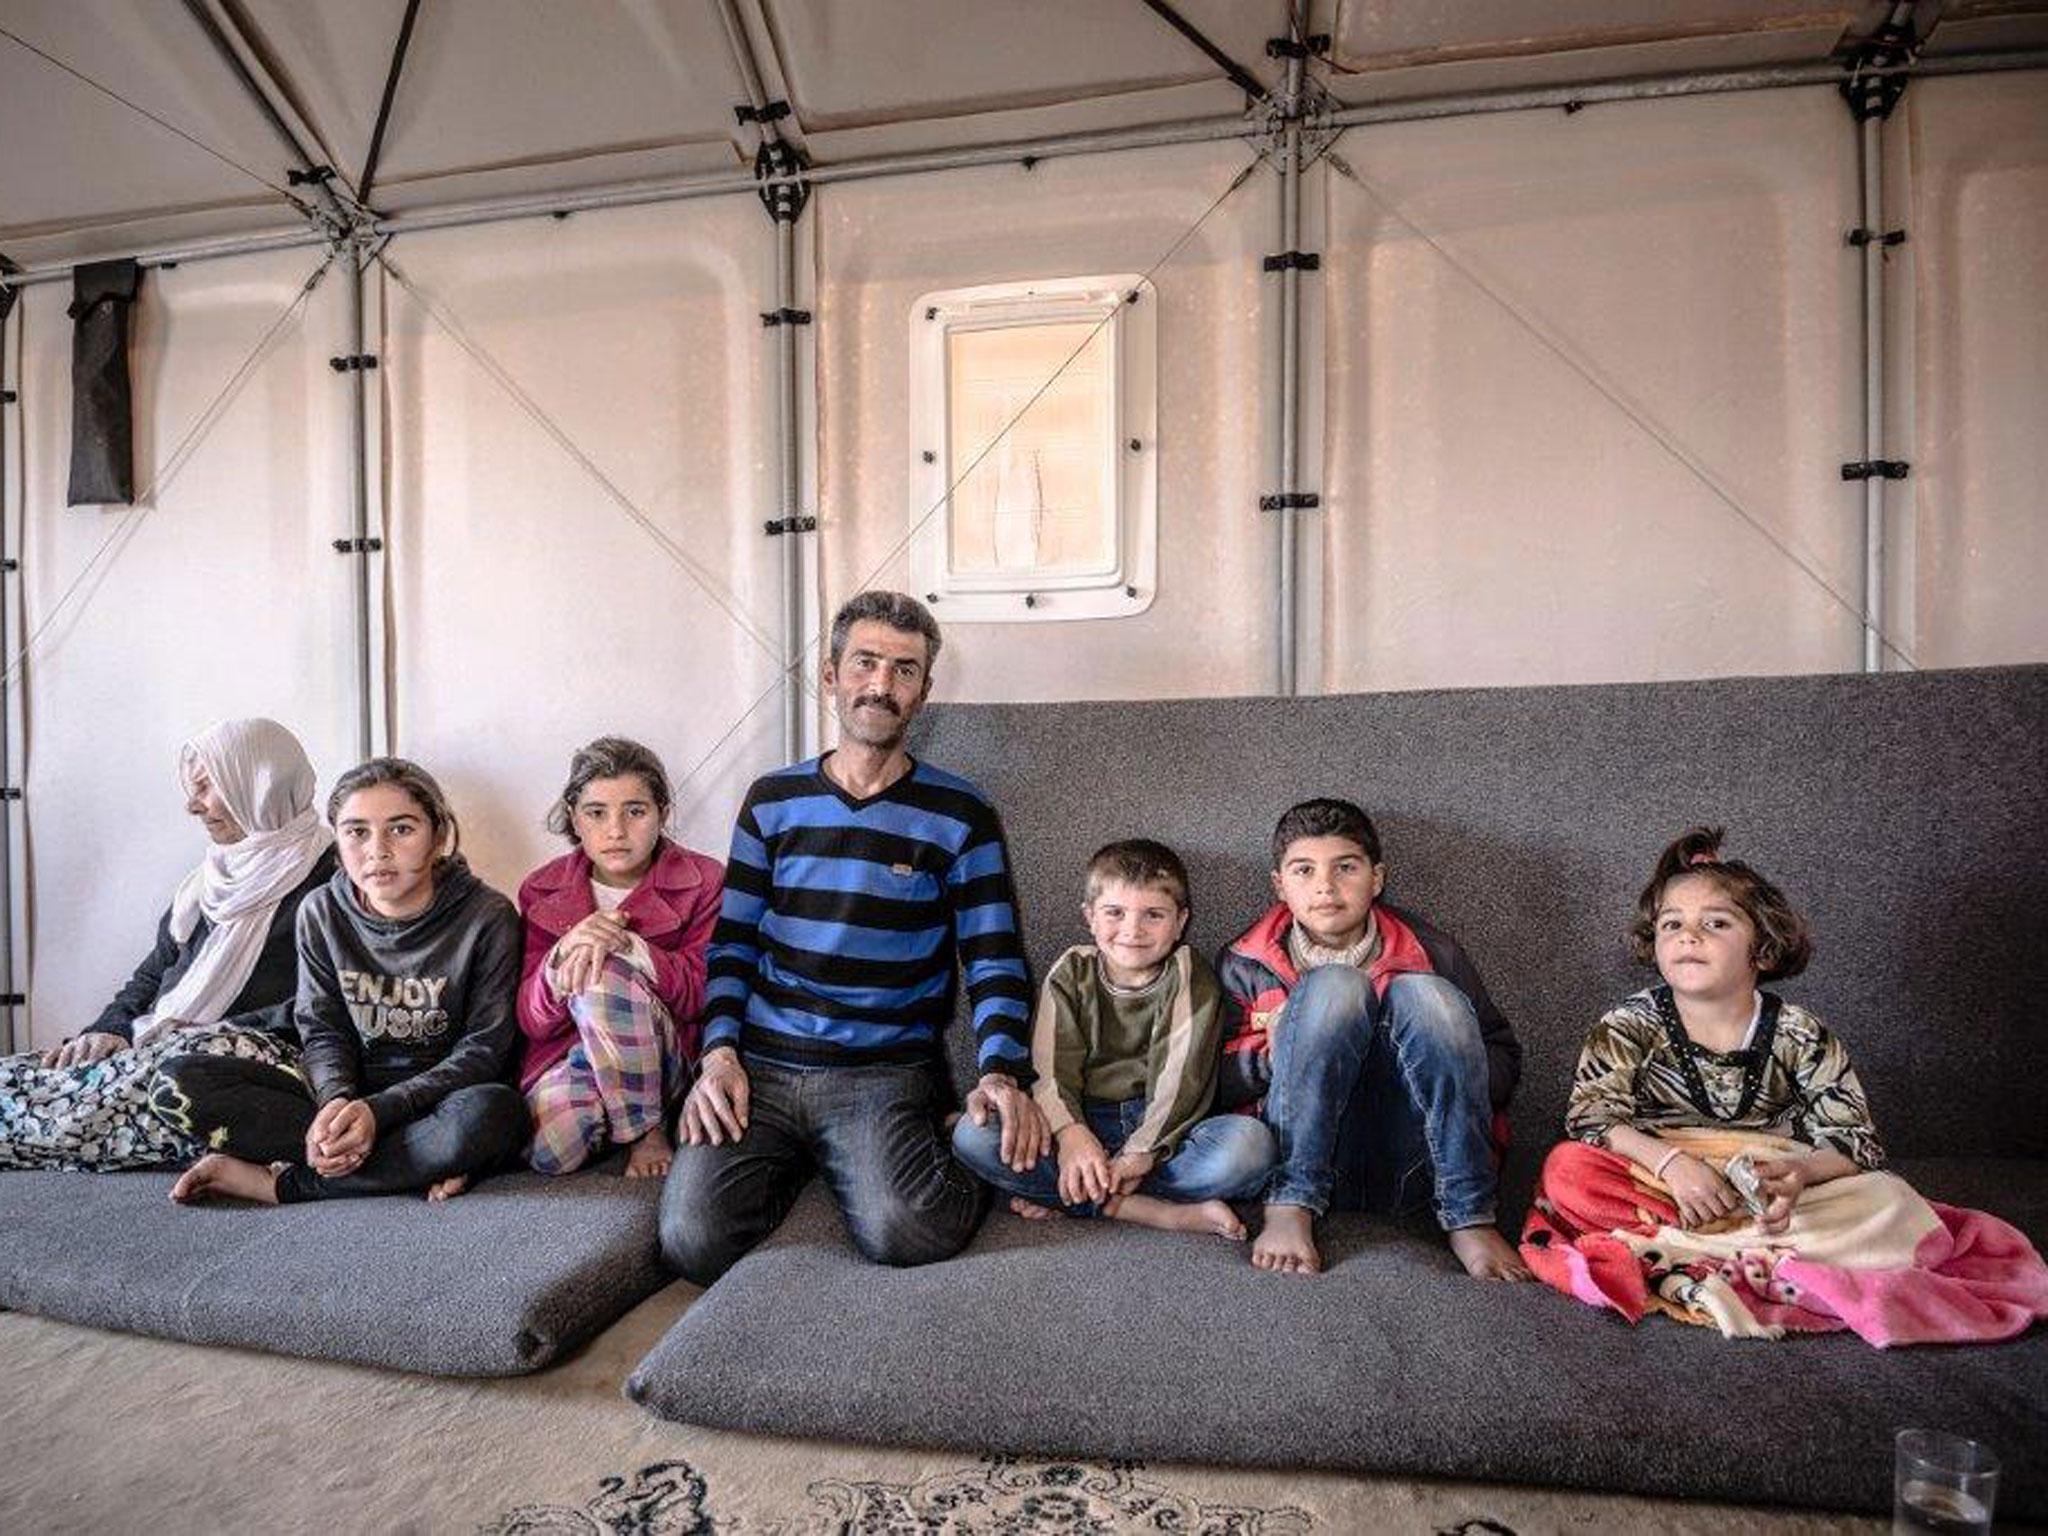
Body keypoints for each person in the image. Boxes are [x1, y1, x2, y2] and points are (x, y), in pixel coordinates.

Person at [1520, 828, 2048, 1344]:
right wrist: (1673, 1166)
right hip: (1663, 1180)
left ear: (1764, 950)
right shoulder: (1626, 1025)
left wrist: (1797, 1174)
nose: (1689, 936)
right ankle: (1740, 1253)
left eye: (1716, 923)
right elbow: (1592, 1119)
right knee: (1567, 1170)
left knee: (1892, 1198)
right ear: (1653, 942)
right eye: (1672, 924)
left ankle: (1705, 1252)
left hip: (1769, 1184)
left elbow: (1853, 1142)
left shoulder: (1801, 1034)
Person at [659, 590, 1043, 1282]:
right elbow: (734, 944)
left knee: (909, 1232)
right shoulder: (772, 801)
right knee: (692, 1241)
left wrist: (999, 1072)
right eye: (865, 663)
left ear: (924, 693)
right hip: (762, 1067)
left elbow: (992, 955)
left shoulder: (960, 812)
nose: (881, 685)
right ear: (831, 675)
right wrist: (717, 1055)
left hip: (885, 1070)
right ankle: (819, 1161)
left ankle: (898, 1150)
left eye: (903, 670)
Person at [163, 757, 527, 1206]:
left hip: (438, 1100)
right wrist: (336, 1102)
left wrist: (381, 1111)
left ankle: (282, 1184)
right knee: (178, 1082)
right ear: (337, 840)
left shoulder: (487, 916)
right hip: (346, 1095)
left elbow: (485, 1050)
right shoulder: (321, 911)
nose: (377, 850)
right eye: (357, 831)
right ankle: (408, 1164)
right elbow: (322, 1026)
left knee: (495, 1115)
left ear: (438, 837)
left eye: (401, 829)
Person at [0, 718, 334, 1171]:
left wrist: (196, 1035)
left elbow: (324, 1004)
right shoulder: (208, 881)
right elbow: (154, 973)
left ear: (257, 785)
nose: (192, 806)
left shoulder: (331, 885)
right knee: (16, 1079)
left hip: (230, 1065)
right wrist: (110, 1030)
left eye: (206, 787)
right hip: (155, 1041)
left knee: (68, 1113)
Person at [1217, 798, 1529, 1279]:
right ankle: (1290, 1205)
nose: (1325, 886)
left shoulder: (1433, 952)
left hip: (1412, 1161)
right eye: (1304, 870)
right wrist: (1272, 1056)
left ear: (1376, 878)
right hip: (1302, 1154)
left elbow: (1504, 1060)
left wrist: (1429, 1064)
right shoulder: (1244, 962)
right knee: (1336, 985)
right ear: (1279, 885)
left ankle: (1469, 1217)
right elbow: (1209, 1082)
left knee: (1426, 996)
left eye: (1346, 867)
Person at [952, 838, 1273, 1238]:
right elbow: (1051, 1068)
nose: (1132, 930)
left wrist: (1139, 1154)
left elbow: (1181, 1080)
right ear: (1089, 917)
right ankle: (1146, 1209)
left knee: (1251, 1148)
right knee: (973, 1134)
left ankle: (1075, 1194)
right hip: (1078, 1118)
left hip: (1165, 1133)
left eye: (1153, 914)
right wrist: (1071, 1137)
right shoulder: (1072, 970)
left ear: (1180, 921)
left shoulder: (1188, 972)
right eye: (1114, 913)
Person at [515, 736, 721, 1179]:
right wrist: (561, 955)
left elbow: (705, 994)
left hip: (665, 1057)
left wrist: (631, 949)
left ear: (662, 813)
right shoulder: (540, 888)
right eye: (596, 813)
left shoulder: (704, 880)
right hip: (575, 1055)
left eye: (635, 811)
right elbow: (532, 1021)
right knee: (550, 1151)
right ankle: (609, 1107)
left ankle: (645, 1130)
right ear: (573, 817)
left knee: (602, 970)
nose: (615, 830)